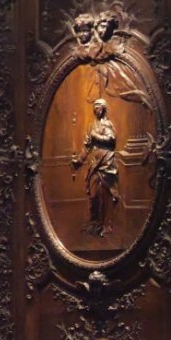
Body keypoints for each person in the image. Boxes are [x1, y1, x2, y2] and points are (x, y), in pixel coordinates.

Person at [71, 98, 121, 236]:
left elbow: (112, 140)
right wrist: (79, 160)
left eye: (98, 107)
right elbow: (87, 146)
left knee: (105, 195)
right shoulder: (91, 125)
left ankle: (106, 226)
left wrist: (96, 136)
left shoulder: (108, 124)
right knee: (93, 194)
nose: (95, 110)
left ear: (104, 108)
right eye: (94, 108)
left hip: (107, 163)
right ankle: (94, 223)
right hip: (95, 163)